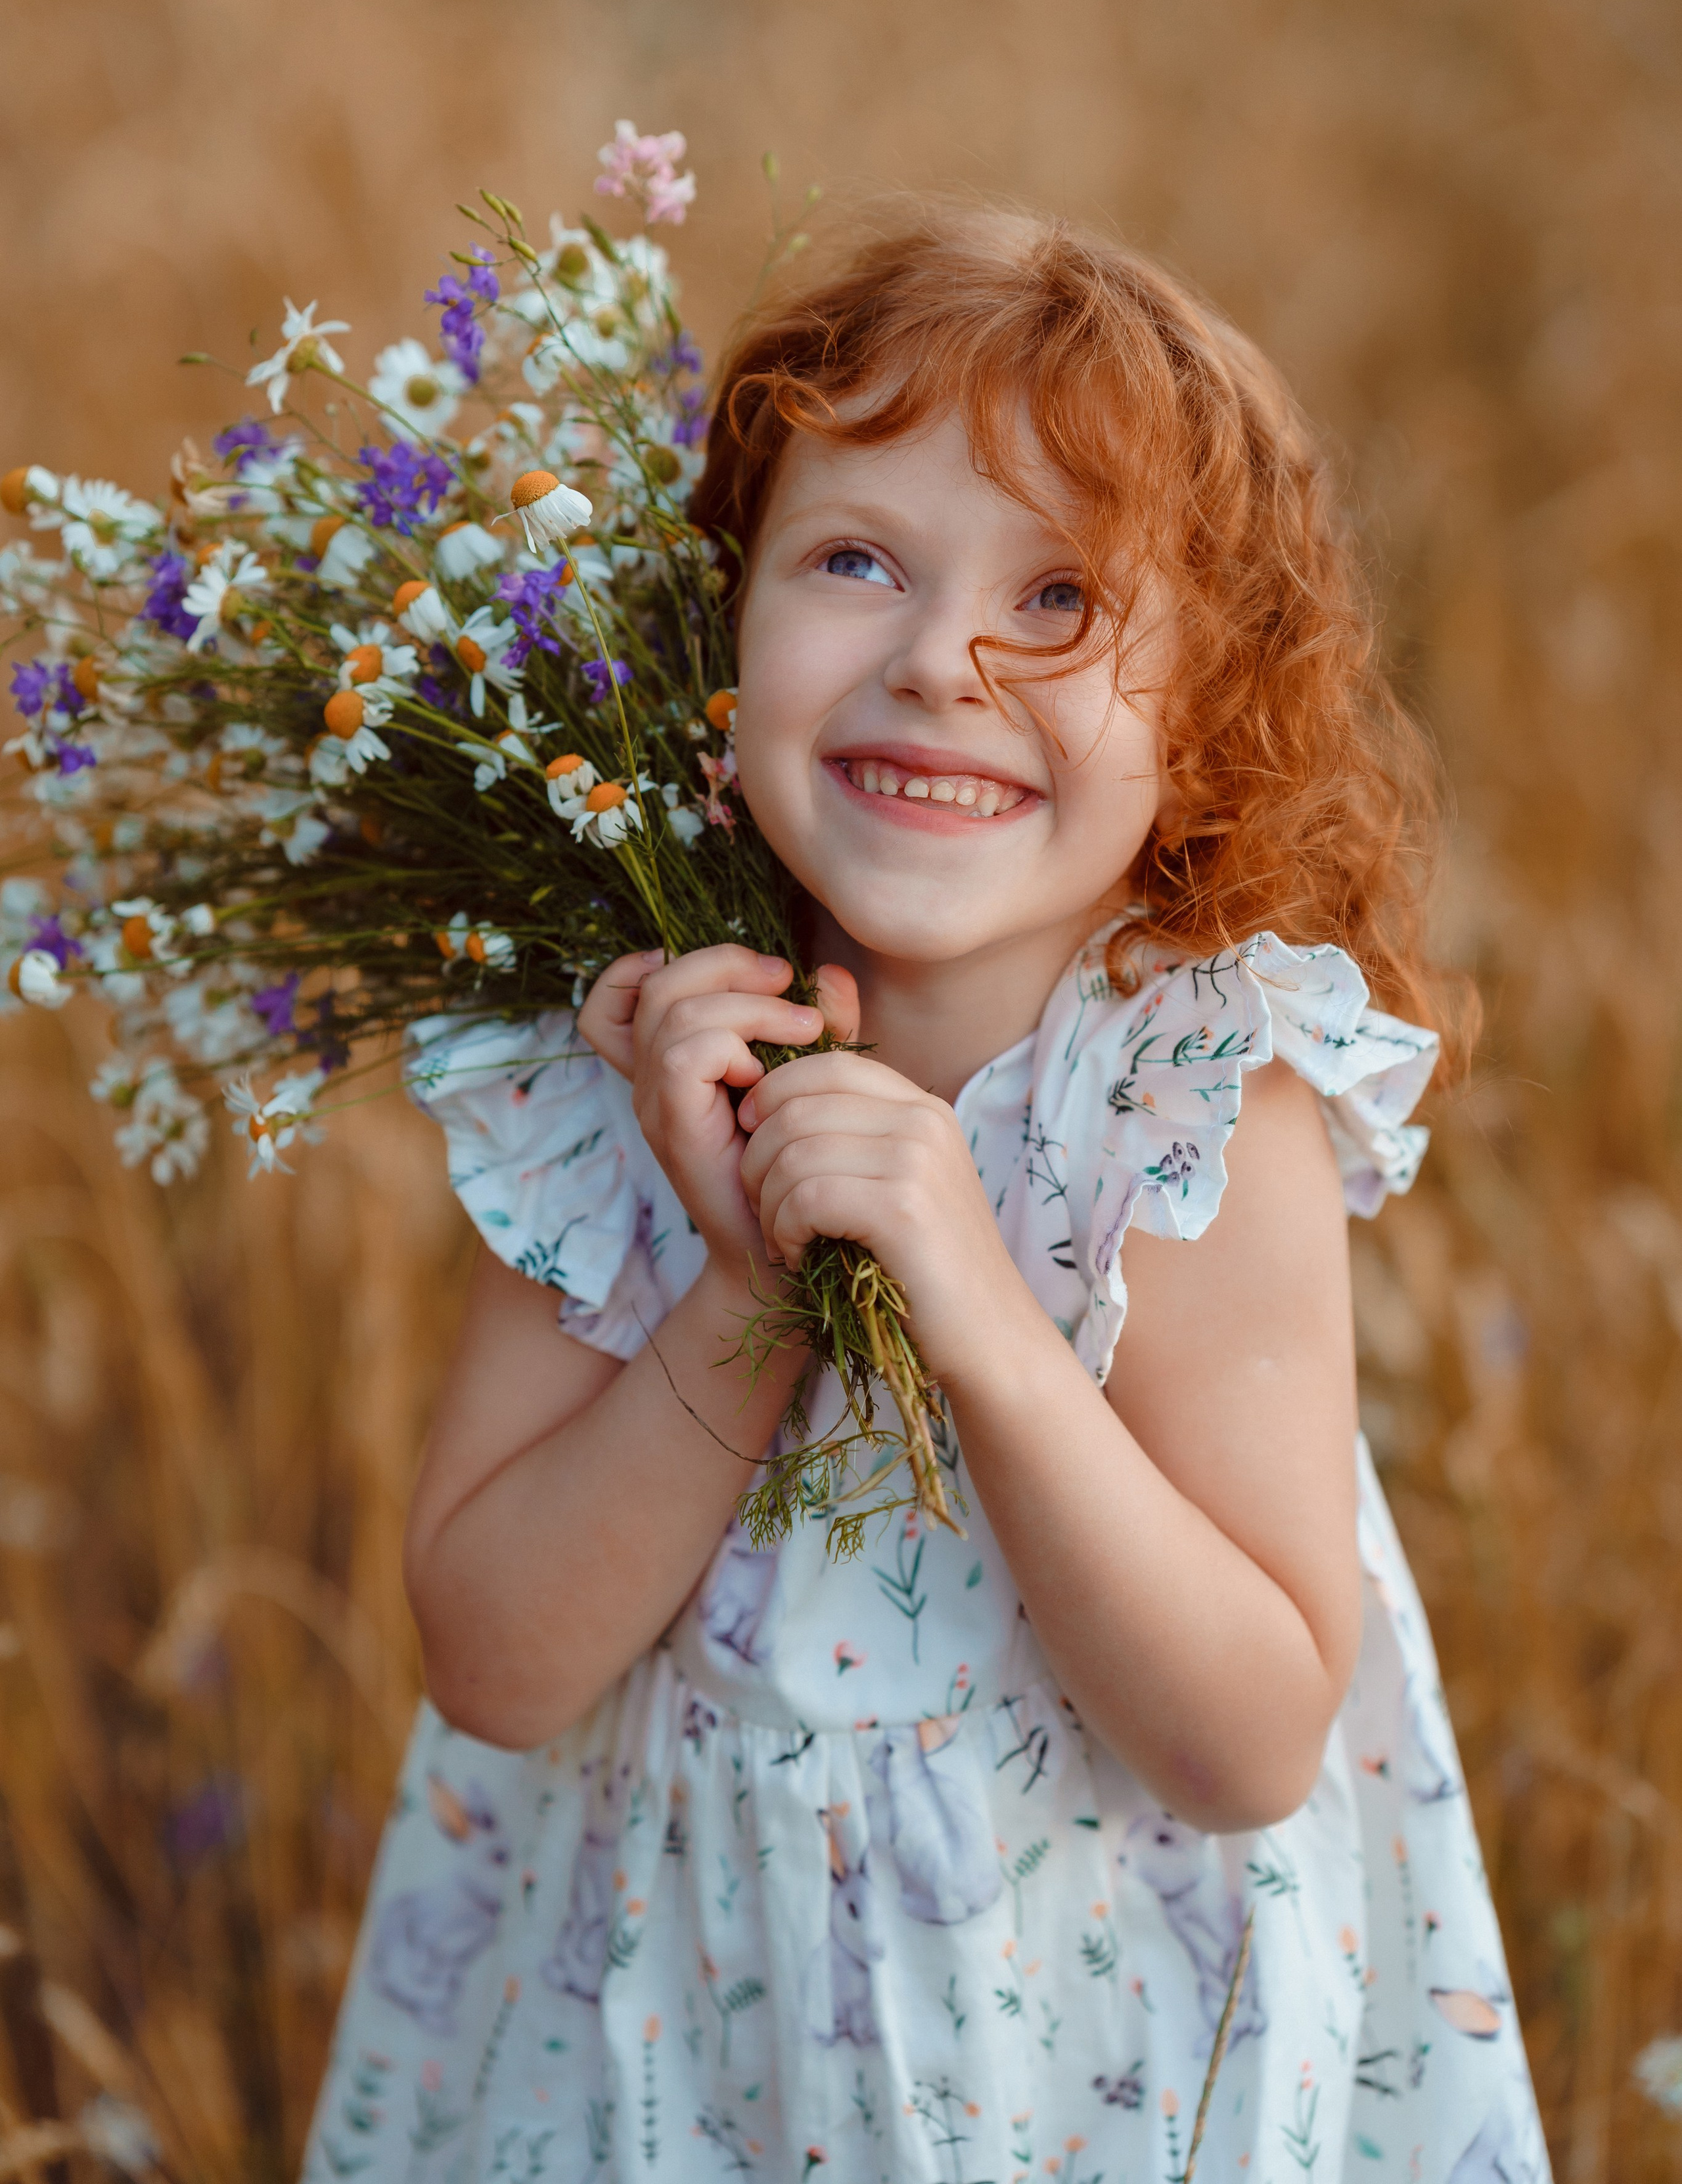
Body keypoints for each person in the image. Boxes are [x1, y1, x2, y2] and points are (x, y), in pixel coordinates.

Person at [304, 213, 1550, 2183]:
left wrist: (973, 1300)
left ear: (1204, 720)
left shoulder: (1192, 1109)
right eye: (856, 560)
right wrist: (734, 1289)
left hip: (1092, 2069)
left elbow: (1245, 1748)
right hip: (670, 2043)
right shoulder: (623, 1074)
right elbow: (497, 1664)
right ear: (728, 627)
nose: (941, 660)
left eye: (1060, 599)